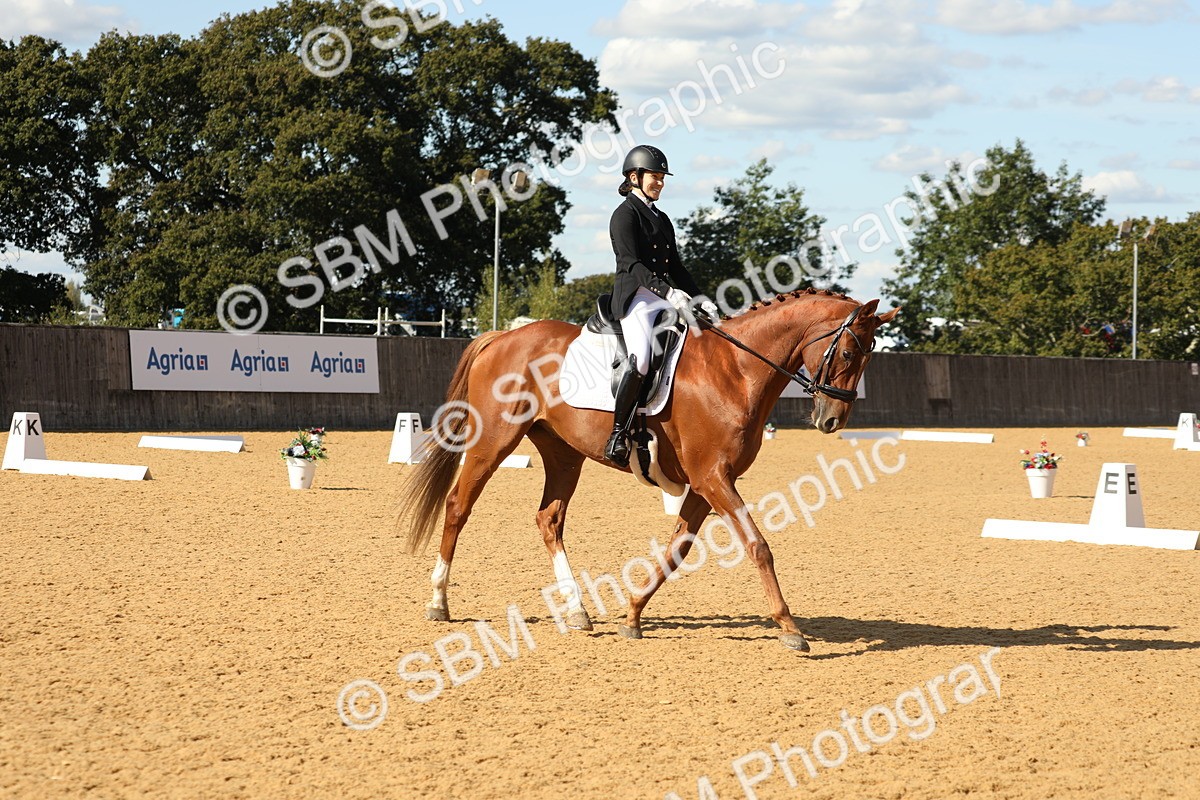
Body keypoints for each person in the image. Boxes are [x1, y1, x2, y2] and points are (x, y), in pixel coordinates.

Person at [604, 144, 719, 468]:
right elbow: (631, 263)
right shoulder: (624, 215)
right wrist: (667, 291)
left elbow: (677, 267)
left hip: (663, 296)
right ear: (634, 177)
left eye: (662, 178)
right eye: (655, 176)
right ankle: (618, 433)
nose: (660, 183)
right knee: (641, 359)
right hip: (636, 298)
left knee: (699, 343)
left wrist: (701, 298)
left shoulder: (662, 218)